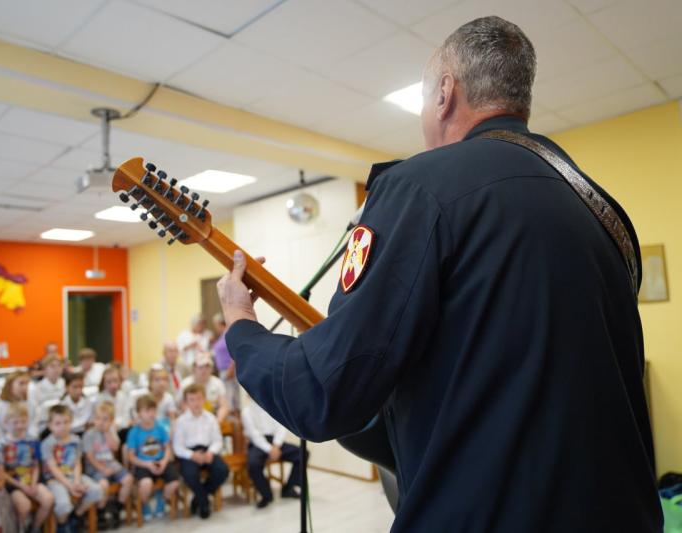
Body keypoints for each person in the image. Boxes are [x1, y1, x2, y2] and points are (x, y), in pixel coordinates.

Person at [217, 16, 662, 533]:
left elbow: (324, 394)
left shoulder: (419, 186)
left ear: (445, 93)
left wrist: (240, 324)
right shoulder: (599, 207)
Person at [41, 404, 104, 532]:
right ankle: (62, 525)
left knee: (97, 490)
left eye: (66, 422)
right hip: (55, 480)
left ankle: (76, 516)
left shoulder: (75, 440)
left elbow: (77, 463)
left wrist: (76, 481)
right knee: (63, 504)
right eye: (58, 423)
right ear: (50, 425)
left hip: (73, 476)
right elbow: (53, 468)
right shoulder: (47, 443)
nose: (63, 426)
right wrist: (70, 486)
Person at [172, 384, 227, 520]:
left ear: (204, 400)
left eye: (199, 399)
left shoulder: (211, 418)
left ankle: (198, 498)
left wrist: (211, 452)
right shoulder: (181, 421)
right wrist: (192, 455)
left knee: (223, 470)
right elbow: (177, 447)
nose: (196, 403)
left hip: (207, 450)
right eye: (192, 399)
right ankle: (204, 504)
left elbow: (218, 440)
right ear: (186, 402)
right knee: (189, 474)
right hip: (189, 453)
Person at [0, 402, 54, 533]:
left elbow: (35, 465)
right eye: (15, 422)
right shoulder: (1, 444)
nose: (20, 426)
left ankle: (35, 527)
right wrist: (21, 486)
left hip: (31, 479)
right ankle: (21, 529)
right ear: (6, 423)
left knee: (48, 499)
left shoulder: (33, 441)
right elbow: (1, 472)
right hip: (13, 484)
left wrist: (33, 484)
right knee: (24, 506)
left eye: (23, 422)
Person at [241, 400, 304, 508]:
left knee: (302, 453)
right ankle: (266, 494)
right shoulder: (246, 412)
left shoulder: (274, 406)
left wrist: (276, 445)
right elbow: (254, 435)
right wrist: (270, 449)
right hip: (258, 444)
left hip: (275, 442)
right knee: (253, 464)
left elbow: (281, 426)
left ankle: (289, 488)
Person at [126, 395, 179, 522]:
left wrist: (164, 461)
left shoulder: (160, 427)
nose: (151, 414)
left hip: (161, 461)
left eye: (153, 410)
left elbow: (167, 448)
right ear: (139, 413)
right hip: (143, 463)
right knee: (146, 484)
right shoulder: (134, 432)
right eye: (147, 411)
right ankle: (144, 504)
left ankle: (161, 500)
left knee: (174, 482)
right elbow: (131, 456)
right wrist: (147, 464)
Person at [82, 401, 133, 529]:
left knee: (128, 479)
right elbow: (90, 457)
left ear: (111, 421)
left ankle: (117, 507)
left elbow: (115, 447)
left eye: (105, 419)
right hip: (95, 467)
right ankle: (101, 513)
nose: (101, 422)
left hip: (111, 464)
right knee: (103, 485)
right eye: (98, 418)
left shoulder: (111, 432)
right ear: (94, 419)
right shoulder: (89, 435)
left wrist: (107, 432)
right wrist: (102, 469)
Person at [177, 353, 229, 423]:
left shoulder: (218, 383)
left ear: (211, 369)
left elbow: (224, 406)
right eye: (201, 367)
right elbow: (182, 405)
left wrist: (217, 421)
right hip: (190, 420)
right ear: (194, 368)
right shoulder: (185, 384)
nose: (204, 370)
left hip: (213, 419)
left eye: (207, 366)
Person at [0, 370, 36, 438]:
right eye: (21, 383)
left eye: (27, 384)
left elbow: (33, 426)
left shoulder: (30, 405)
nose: (25, 387)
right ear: (9, 385)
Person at [211, 312, 240, 411]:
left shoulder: (228, 334)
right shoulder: (221, 336)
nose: (215, 327)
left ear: (220, 323)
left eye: (215, 325)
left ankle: (233, 418)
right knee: (227, 395)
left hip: (229, 370)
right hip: (223, 370)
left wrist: (231, 368)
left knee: (230, 396)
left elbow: (234, 351)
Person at [96, 365, 131, 431]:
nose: (113, 385)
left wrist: (118, 424)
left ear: (120, 381)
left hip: (122, 429)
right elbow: (100, 419)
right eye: (108, 382)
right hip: (105, 430)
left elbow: (127, 418)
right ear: (103, 383)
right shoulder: (100, 398)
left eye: (115, 381)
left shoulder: (123, 396)